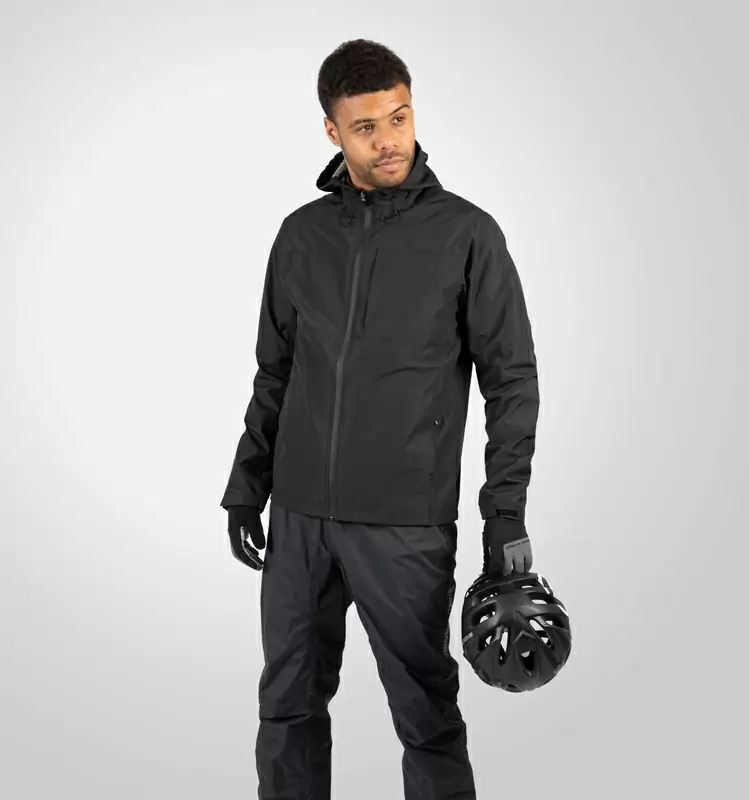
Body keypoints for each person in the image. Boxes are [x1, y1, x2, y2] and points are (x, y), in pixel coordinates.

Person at [221, 38, 539, 800]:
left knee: (426, 717)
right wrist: (247, 485)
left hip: (405, 525)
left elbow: (512, 382)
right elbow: (275, 373)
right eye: (366, 127)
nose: (389, 139)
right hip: (300, 520)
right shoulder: (300, 236)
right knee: (287, 708)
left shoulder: (466, 236)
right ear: (332, 130)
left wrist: (504, 515)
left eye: (399, 117)